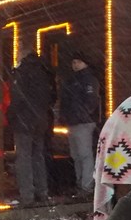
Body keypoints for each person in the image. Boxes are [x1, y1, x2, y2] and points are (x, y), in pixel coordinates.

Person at [6, 50, 55, 206]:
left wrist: (10, 116)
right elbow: (52, 97)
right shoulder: (45, 73)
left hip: (24, 120)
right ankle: (42, 192)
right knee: (38, 156)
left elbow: (17, 98)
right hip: (41, 120)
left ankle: (27, 195)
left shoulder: (21, 73)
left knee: (24, 158)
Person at [59, 50, 100, 199]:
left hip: (83, 122)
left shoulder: (88, 80)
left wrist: (82, 114)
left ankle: (86, 186)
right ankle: (81, 184)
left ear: (85, 63)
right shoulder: (72, 80)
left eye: (78, 62)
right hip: (74, 121)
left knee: (84, 154)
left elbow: (91, 101)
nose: (75, 65)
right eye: (74, 62)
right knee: (76, 155)